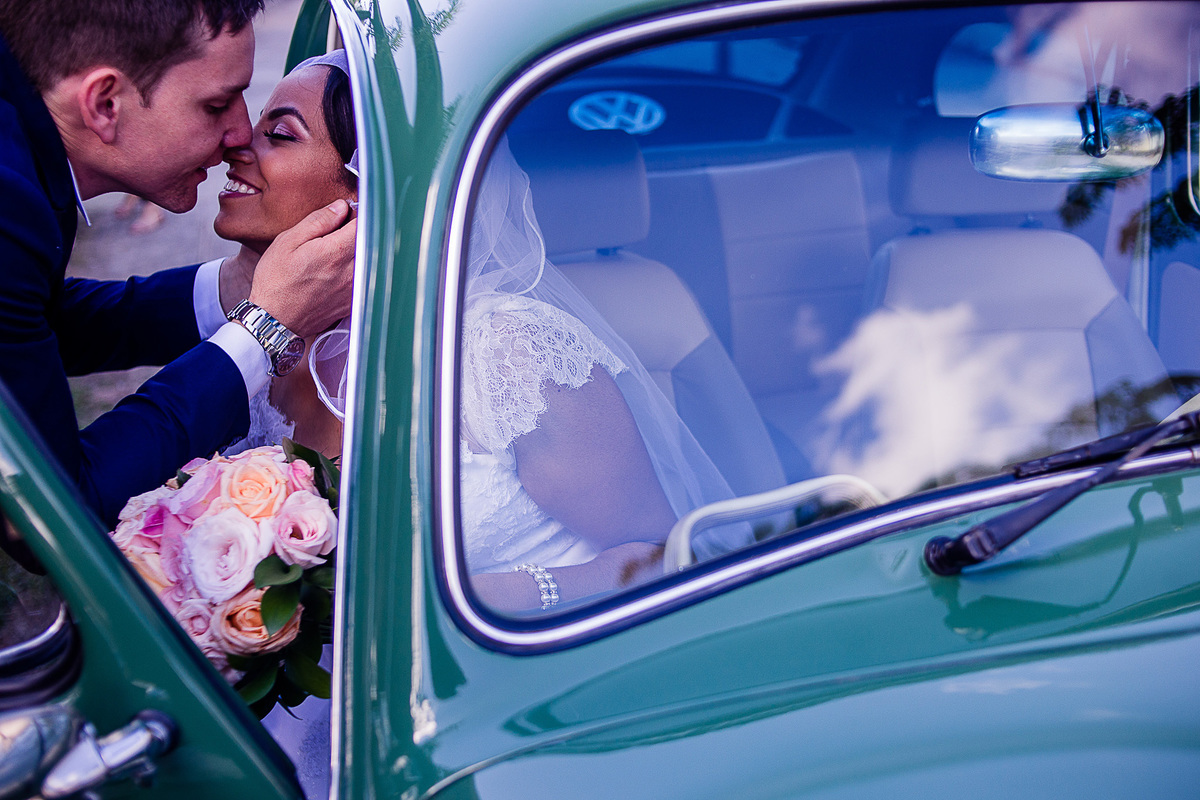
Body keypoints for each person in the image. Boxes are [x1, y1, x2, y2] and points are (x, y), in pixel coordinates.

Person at [0, 0, 355, 528]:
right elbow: (48, 511)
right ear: (105, 103)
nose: (239, 135)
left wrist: (234, 288)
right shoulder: (8, 202)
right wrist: (263, 330)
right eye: (216, 105)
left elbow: (30, 325)